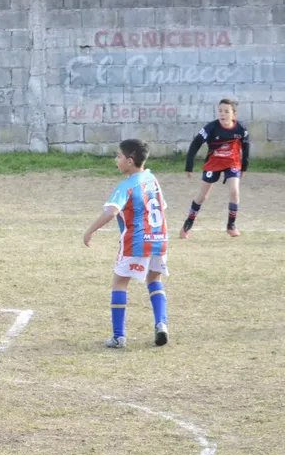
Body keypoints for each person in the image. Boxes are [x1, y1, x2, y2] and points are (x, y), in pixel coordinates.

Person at [83, 139, 169, 349]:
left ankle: (118, 337)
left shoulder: (126, 186)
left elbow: (111, 212)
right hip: (159, 238)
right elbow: (162, 207)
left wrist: (90, 230)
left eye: (119, 156)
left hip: (136, 241)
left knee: (119, 283)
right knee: (154, 279)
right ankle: (161, 324)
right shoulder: (151, 179)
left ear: (130, 161)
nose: (116, 160)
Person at [180, 98, 250, 239]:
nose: (222, 114)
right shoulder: (211, 127)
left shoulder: (241, 129)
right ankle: (188, 223)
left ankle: (231, 225)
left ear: (234, 114)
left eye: (226, 111)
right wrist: (189, 165)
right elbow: (195, 144)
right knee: (202, 196)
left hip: (232, 163)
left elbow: (246, 147)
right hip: (214, 163)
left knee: (234, 192)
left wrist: (244, 167)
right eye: (220, 111)